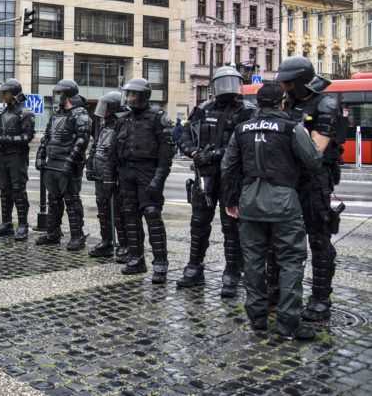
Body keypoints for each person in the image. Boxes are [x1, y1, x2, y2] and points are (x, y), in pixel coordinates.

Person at [221, 82, 321, 340]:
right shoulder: (291, 128)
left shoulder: (242, 129)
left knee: (253, 261)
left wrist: (231, 200)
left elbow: (228, 167)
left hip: (249, 202)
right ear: (281, 102)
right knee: (290, 261)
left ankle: (257, 318)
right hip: (284, 202)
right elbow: (313, 161)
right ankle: (288, 323)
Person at [176, 66, 256, 297]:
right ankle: (194, 267)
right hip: (205, 175)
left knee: (231, 227)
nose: (228, 88)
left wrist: (215, 154)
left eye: (232, 83)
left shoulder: (247, 112)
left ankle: (232, 273)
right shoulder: (202, 109)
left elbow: (245, 145)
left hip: (232, 177)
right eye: (224, 83)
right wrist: (193, 153)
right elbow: (184, 135)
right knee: (198, 224)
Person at [277, 56, 344, 322]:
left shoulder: (325, 103)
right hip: (288, 180)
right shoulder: (288, 103)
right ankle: (280, 295)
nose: (284, 87)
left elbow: (315, 151)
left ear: (301, 82)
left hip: (315, 182)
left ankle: (320, 299)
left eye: (288, 83)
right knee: (282, 241)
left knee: (318, 240)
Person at [108, 78, 174, 284]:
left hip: (148, 171)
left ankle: (160, 263)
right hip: (126, 172)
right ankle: (136, 258)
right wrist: (111, 177)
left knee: (152, 215)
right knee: (130, 217)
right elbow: (113, 151)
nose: (130, 98)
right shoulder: (122, 119)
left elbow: (166, 154)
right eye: (129, 94)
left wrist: (158, 180)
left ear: (144, 96)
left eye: (134, 94)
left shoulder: (157, 118)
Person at [35, 80, 91, 250]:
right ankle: (53, 233)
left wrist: (70, 161)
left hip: (69, 164)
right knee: (53, 200)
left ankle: (77, 236)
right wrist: (40, 156)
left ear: (68, 94)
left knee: (72, 201)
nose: (57, 96)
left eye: (60, 93)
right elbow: (47, 138)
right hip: (53, 163)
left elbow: (82, 140)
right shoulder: (56, 115)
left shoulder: (80, 115)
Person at [86, 90, 135, 261]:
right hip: (100, 173)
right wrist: (90, 165)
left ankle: (124, 244)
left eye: (106, 107)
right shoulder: (102, 124)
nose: (102, 111)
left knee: (119, 211)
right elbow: (96, 145)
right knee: (103, 210)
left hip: (115, 175)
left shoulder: (123, 124)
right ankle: (106, 241)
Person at [0, 79, 34, 241]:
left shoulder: (25, 113)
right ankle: (6, 223)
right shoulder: (2, 113)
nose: (2, 96)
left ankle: (22, 225)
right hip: (4, 156)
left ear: (13, 95)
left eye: (5, 93)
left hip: (17, 157)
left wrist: (5, 139)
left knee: (18, 191)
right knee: (4, 191)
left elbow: (27, 137)